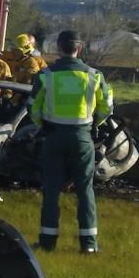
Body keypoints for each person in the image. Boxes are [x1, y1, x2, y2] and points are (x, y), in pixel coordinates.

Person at [27, 30, 113, 254]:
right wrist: (93, 123)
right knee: (85, 190)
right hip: (82, 137)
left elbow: (32, 107)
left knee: (51, 190)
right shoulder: (95, 76)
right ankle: (89, 245)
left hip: (53, 136)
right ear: (80, 48)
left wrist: (42, 124)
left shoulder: (45, 75)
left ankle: (47, 243)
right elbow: (107, 107)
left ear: (58, 47)